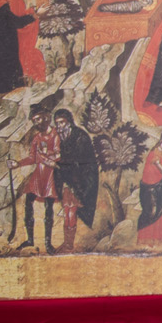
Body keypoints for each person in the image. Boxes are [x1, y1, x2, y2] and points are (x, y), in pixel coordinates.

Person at [52, 107, 99, 253]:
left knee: (71, 210)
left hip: (81, 180)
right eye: (57, 123)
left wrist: (57, 163)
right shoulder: (61, 137)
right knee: (68, 210)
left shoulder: (80, 136)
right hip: (68, 179)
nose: (59, 126)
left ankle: (68, 245)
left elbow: (79, 161)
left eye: (62, 122)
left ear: (69, 122)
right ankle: (68, 244)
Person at [15, 107, 61, 250]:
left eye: (38, 119)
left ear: (47, 117)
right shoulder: (37, 138)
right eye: (34, 121)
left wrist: (50, 155)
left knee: (49, 208)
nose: (36, 123)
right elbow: (32, 158)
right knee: (28, 203)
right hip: (38, 175)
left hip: (51, 175)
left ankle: (48, 243)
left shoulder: (56, 134)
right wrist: (17, 164)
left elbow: (60, 153)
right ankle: (30, 239)